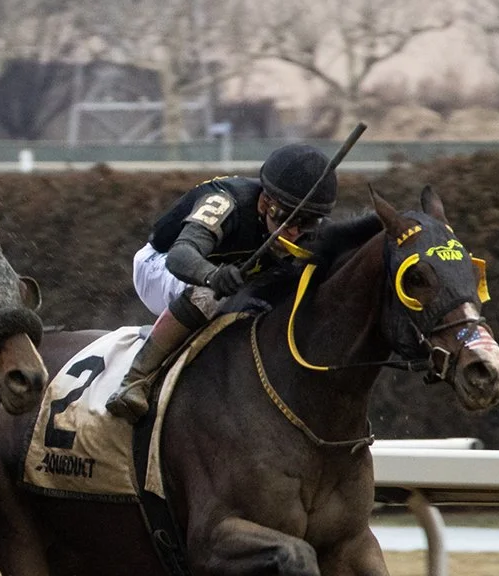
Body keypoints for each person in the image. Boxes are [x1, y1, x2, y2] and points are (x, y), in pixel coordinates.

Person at [102, 140, 340, 424]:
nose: (294, 232)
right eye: (285, 217)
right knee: (210, 295)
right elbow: (180, 256)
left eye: (308, 222)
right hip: (160, 266)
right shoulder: (226, 202)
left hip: (233, 274)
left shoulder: (300, 229)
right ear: (265, 202)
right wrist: (213, 275)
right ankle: (136, 380)